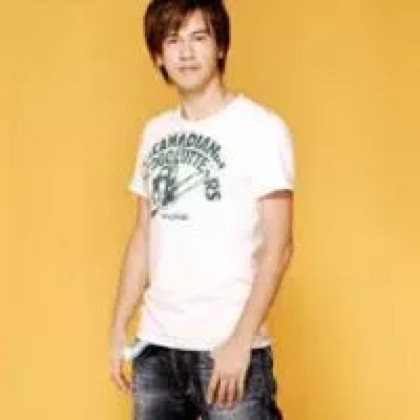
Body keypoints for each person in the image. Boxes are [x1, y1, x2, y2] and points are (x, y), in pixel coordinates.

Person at [109, 0, 295, 418]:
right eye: (173, 40)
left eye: (199, 38)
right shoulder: (155, 133)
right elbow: (143, 236)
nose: (186, 53)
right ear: (158, 54)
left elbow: (280, 246)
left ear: (220, 46)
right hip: (156, 349)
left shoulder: (261, 129)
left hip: (227, 347)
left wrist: (241, 340)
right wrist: (119, 325)